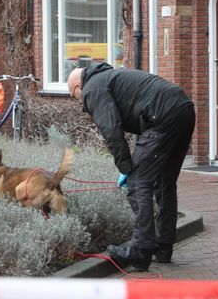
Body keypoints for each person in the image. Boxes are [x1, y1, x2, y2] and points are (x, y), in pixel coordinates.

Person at [68, 62, 195, 271]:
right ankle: (163, 247)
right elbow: (138, 117)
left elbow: (112, 130)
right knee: (165, 183)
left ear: (77, 88)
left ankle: (140, 251)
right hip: (183, 109)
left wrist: (126, 169)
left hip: (162, 116)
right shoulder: (111, 77)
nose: (82, 104)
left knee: (138, 183)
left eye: (77, 99)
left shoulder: (92, 88)